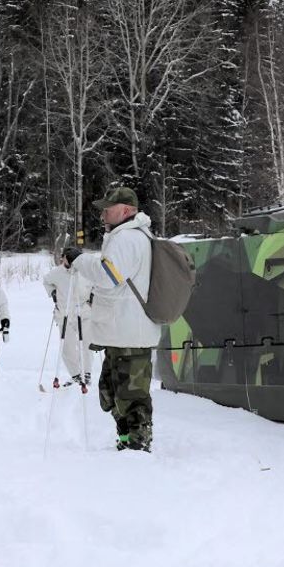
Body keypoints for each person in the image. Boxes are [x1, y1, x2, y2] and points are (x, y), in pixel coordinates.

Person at [83, 187, 163, 451]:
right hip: (122, 332)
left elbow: (108, 275)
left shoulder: (128, 238)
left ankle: (138, 448)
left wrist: (80, 261)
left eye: (109, 207)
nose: (103, 212)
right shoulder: (125, 237)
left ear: (127, 211)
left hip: (131, 333)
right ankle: (126, 440)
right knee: (112, 393)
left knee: (131, 396)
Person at [44, 246, 91, 392]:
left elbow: (96, 284)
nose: (70, 261)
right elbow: (46, 281)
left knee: (87, 343)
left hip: (83, 311)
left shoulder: (84, 272)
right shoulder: (56, 273)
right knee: (67, 346)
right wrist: (52, 293)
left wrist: (93, 297)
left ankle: (86, 373)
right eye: (67, 257)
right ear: (63, 258)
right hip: (64, 313)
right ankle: (76, 374)